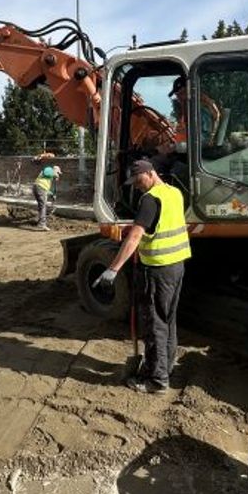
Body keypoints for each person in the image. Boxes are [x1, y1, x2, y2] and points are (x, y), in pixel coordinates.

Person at [95, 159, 191, 393]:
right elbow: (161, 223)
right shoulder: (174, 192)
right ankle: (165, 367)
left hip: (158, 269)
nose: (136, 186)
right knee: (168, 320)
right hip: (177, 265)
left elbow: (136, 237)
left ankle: (156, 381)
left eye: (138, 180)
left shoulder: (149, 199)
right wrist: (140, 227)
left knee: (155, 324)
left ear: (149, 174)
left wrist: (113, 269)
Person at [31, 152, 61, 231]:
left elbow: (46, 190)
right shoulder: (49, 169)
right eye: (58, 173)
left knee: (41, 206)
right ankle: (42, 224)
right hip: (39, 187)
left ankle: (39, 220)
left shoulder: (48, 179)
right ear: (55, 171)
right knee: (43, 206)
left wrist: (52, 194)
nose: (58, 176)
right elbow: (47, 172)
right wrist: (54, 175)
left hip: (38, 187)